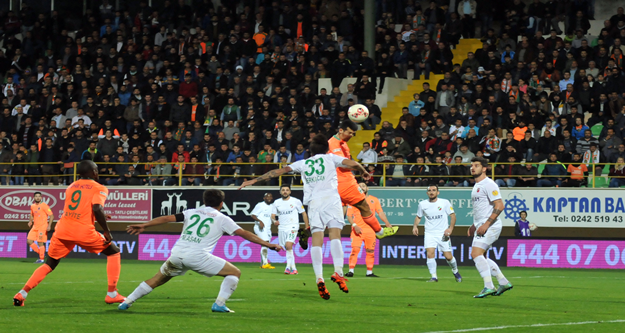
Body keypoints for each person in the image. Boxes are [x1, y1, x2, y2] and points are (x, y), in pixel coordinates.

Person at [239, 134, 371, 300]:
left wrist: (253, 181)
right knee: (335, 235)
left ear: (310, 151)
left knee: (317, 239)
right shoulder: (331, 158)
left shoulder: (303, 163)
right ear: (326, 149)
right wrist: (363, 170)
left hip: (314, 203)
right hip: (331, 200)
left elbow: (277, 172)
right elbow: (351, 163)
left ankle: (319, 279)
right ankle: (338, 272)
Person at [118, 189, 282, 312]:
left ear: (204, 201)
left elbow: (167, 218)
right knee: (234, 273)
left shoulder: (191, 212)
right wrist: (269, 245)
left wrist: (144, 225)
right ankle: (219, 304)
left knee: (156, 279)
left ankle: (126, 302)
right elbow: (244, 234)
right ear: (221, 204)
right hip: (197, 257)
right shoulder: (222, 218)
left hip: (177, 254)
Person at [14, 160, 124, 306]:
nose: (97, 172)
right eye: (96, 169)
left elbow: (83, 208)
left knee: (50, 264)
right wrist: (106, 231)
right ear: (93, 172)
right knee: (114, 252)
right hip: (82, 230)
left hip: (63, 229)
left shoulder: (72, 186)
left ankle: (22, 293)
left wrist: (101, 214)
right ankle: (112, 293)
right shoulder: (99, 188)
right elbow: (97, 208)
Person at [328, 120, 398, 239]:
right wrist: (361, 169)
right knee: (364, 206)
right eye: (350, 133)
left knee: (338, 213)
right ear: (341, 130)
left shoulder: (342, 142)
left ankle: (312, 232)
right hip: (344, 182)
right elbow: (343, 163)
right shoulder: (334, 144)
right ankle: (380, 232)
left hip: (343, 180)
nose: (352, 136)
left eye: (353, 134)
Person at [468, 157, 513, 298]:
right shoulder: (477, 185)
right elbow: (482, 209)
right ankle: (503, 282)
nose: (472, 168)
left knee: (475, 254)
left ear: (485, 168)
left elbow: (500, 205)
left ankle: (489, 286)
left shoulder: (489, 184)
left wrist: (486, 224)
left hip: (490, 225)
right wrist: (474, 225)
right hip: (481, 224)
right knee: (482, 256)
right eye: (471, 165)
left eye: (476, 165)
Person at [412, 185, 462, 283]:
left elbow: (453, 216)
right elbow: (418, 216)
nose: (431, 192)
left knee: (448, 256)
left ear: (438, 192)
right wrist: (415, 226)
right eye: (429, 190)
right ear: (427, 193)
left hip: (442, 233)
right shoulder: (422, 204)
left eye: (434, 190)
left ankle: (455, 271)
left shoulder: (444, 202)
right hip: (429, 233)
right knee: (430, 253)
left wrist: (450, 229)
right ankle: (434, 277)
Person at [346, 182, 393, 278]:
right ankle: (351, 271)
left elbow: (380, 213)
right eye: (359, 186)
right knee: (355, 250)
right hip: (357, 230)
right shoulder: (353, 200)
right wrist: (354, 225)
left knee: (370, 251)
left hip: (370, 230)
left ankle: (369, 272)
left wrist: (387, 223)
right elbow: (349, 215)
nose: (361, 187)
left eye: (363, 186)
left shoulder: (374, 200)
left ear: (367, 188)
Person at [270, 185, 309, 275]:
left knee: (288, 245)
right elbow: (272, 216)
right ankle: (294, 268)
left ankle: (287, 267)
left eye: (287, 190)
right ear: (280, 192)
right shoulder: (276, 202)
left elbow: (303, 213)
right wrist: (274, 221)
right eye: (283, 190)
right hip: (282, 228)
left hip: (293, 226)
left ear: (290, 192)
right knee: (286, 248)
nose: (285, 192)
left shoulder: (296, 201)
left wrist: (307, 226)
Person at [27, 192, 54, 263]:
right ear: (34, 198)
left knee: (40, 242)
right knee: (29, 241)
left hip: (42, 227)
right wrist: (30, 221)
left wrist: (49, 225)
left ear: (41, 197)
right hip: (35, 226)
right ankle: (41, 253)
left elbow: (51, 216)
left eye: (39, 196)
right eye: (36, 196)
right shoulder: (32, 206)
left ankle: (41, 259)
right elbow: (32, 214)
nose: (38, 198)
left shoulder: (44, 205)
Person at [250, 193, 275, 269]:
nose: (269, 198)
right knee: (265, 243)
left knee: (266, 245)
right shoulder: (260, 205)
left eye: (270, 196)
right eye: (267, 197)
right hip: (259, 227)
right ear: (264, 198)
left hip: (267, 229)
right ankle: (265, 263)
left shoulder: (272, 206)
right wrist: (259, 221)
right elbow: (253, 215)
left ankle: (262, 263)